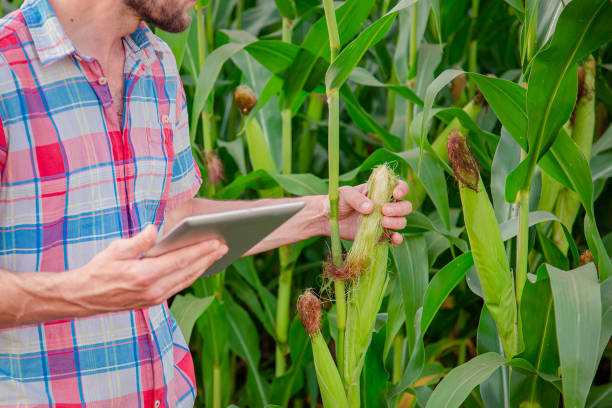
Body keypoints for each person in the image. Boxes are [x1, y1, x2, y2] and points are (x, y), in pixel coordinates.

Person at [0, 0, 412, 406]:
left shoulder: (156, 64)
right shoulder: (6, 70)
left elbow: (177, 223)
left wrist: (322, 215)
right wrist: (83, 292)